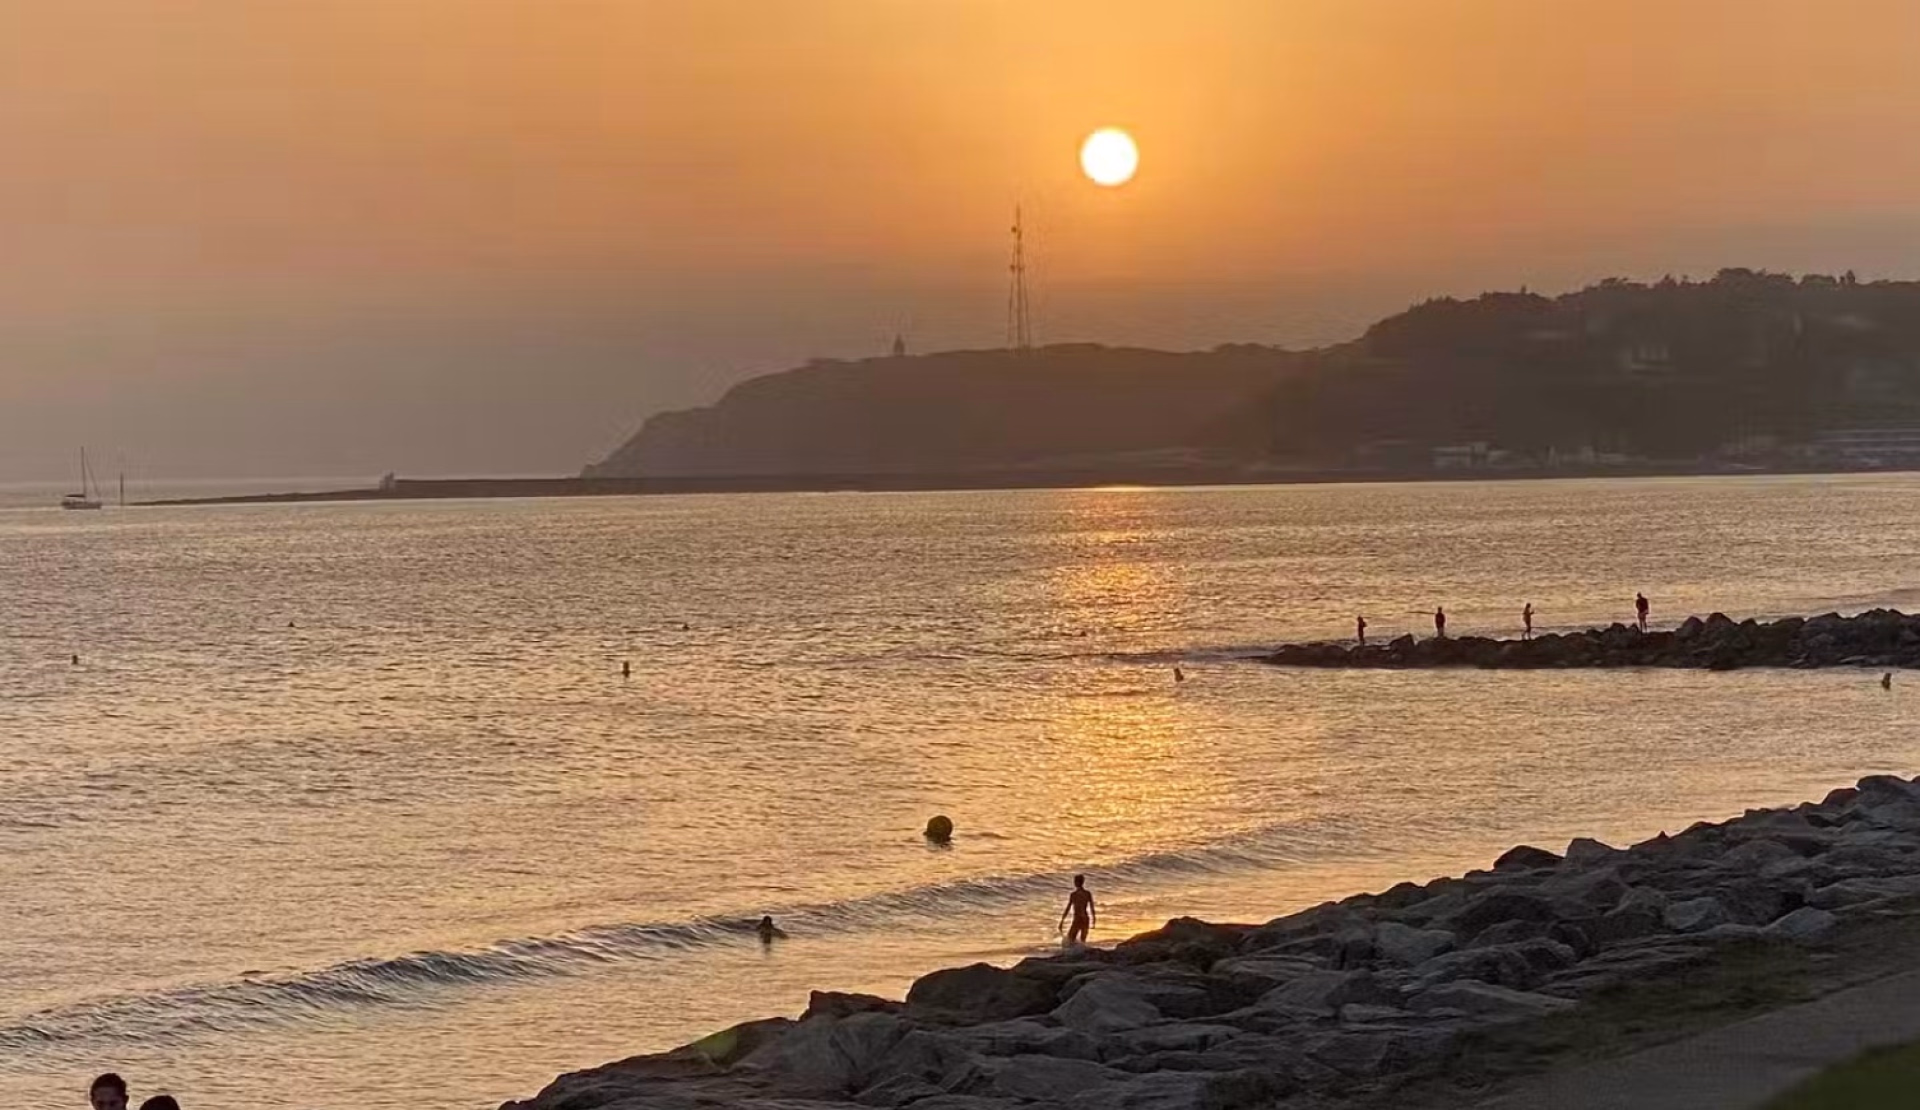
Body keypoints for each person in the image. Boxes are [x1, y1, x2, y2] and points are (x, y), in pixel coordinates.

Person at [1059, 875, 1096, 946]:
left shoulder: (1073, 895)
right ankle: (1081, 954)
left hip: (1077, 918)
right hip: (1085, 918)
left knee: (1070, 940)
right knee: (1083, 941)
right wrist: (1094, 919)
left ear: (1077, 882)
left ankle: (1072, 954)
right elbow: (1092, 908)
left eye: (1075, 881)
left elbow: (1068, 908)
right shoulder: (1087, 893)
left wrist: (1062, 921)